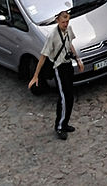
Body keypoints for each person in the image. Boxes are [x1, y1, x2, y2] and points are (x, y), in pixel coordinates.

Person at [28, 9, 84, 139]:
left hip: (68, 64)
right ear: (57, 21)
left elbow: (70, 45)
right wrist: (35, 75)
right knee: (64, 97)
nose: (65, 24)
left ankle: (65, 123)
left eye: (67, 21)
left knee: (70, 96)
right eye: (63, 21)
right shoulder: (52, 36)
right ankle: (59, 126)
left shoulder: (68, 30)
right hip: (58, 67)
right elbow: (43, 56)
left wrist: (78, 59)